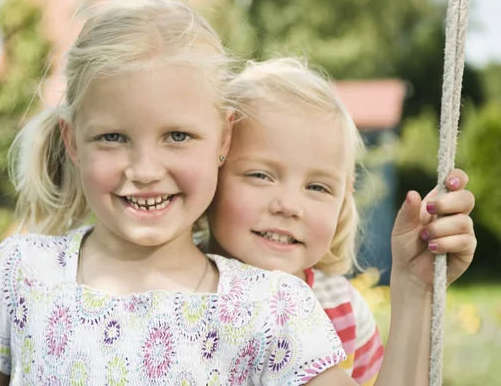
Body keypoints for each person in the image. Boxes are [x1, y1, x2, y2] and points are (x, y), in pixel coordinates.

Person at [0, 0, 476, 386]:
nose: (144, 169)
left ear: (222, 139)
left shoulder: (273, 308)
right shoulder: (21, 275)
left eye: (177, 135)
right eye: (112, 137)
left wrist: (416, 291)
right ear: (72, 142)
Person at [204, 57, 476, 385]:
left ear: (343, 199)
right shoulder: (169, 287)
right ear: (210, 173)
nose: (289, 206)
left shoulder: (342, 311)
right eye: (260, 175)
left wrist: (416, 289)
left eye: (318, 187)